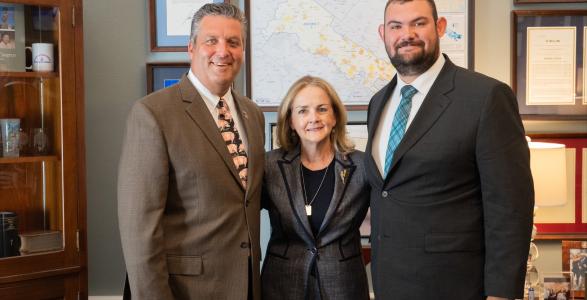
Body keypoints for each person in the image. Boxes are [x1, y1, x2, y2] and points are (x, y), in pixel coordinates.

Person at [364, 0, 534, 299]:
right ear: (383, 34)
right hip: (389, 283)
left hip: (456, 286)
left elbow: (510, 208)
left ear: (440, 26)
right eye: (396, 26)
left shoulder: (485, 97)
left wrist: (501, 293)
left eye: (419, 23)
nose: (407, 34)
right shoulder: (379, 102)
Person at [118, 3, 264, 299]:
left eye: (233, 42)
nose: (223, 51)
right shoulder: (153, 114)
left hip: (247, 287)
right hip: (186, 291)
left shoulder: (252, 114)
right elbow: (139, 231)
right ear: (191, 48)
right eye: (211, 40)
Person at [261, 76, 370, 299]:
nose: (313, 118)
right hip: (282, 284)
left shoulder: (362, 165)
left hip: (343, 285)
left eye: (322, 109)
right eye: (302, 111)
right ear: (290, 120)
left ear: (335, 116)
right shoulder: (269, 165)